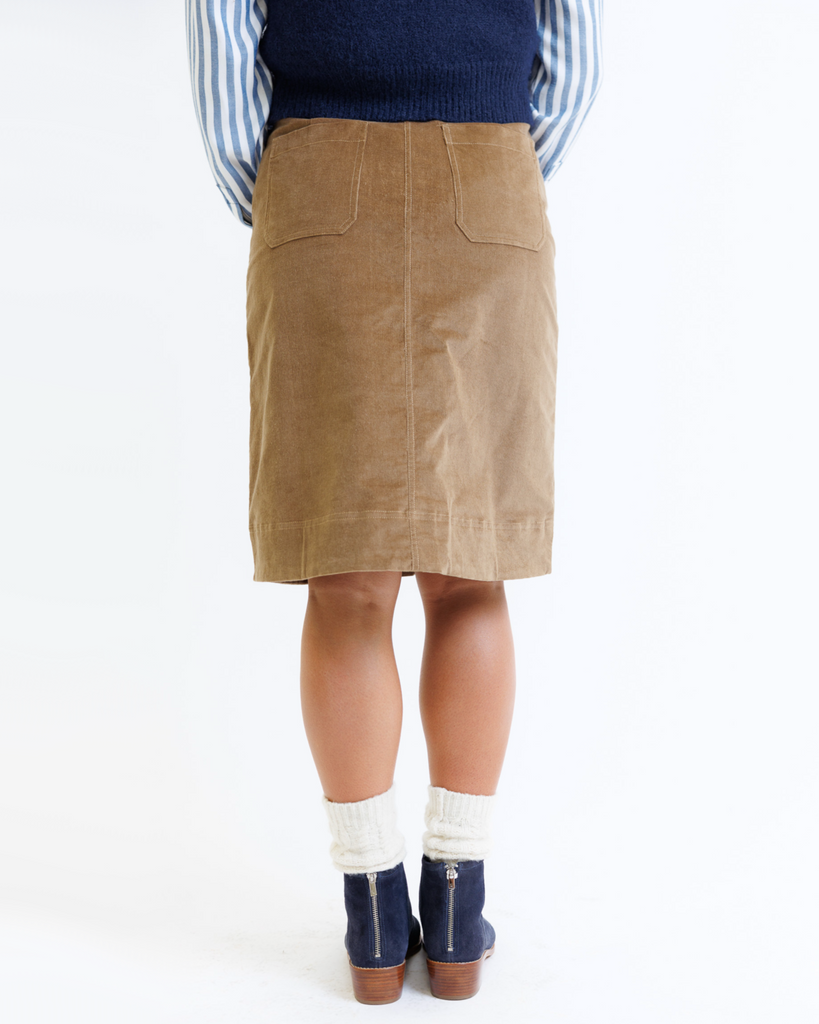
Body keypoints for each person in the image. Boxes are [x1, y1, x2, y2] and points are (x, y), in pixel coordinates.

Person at [185, 0, 602, 1004]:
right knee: (472, 572)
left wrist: (289, 180)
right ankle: (456, 907)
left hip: (317, 169)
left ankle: (374, 913)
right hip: (490, 163)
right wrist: (494, 160)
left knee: (347, 581)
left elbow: (219, 42)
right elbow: (577, 65)